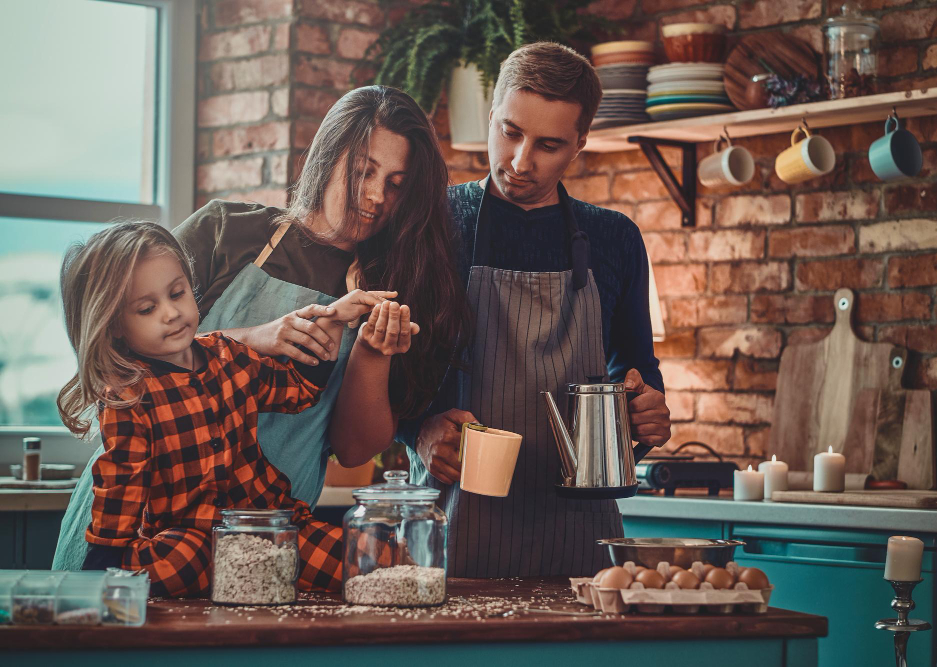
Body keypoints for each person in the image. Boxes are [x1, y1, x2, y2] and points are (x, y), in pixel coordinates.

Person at [52, 85, 469, 570]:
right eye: (364, 171)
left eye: (396, 184)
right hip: (138, 532)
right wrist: (252, 340)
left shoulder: (388, 287)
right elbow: (112, 346)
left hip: (268, 537)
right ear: (329, 154)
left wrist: (371, 355)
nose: (377, 196)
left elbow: (354, 450)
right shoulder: (226, 230)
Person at [400, 42, 672, 577]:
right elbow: (390, 375)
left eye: (548, 145)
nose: (521, 162)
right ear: (493, 112)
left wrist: (647, 412)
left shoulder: (614, 238)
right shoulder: (435, 223)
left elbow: (636, 369)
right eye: (510, 132)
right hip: (451, 523)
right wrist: (417, 432)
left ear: (580, 145)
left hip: (580, 539)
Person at [57, 222, 388, 596]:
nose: (171, 313)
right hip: (193, 542)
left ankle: (258, 573)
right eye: (147, 309)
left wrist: (333, 318)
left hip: (271, 529)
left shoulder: (228, 354)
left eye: (178, 293)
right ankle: (250, 578)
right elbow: (122, 487)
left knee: (375, 559)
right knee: (182, 557)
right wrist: (103, 563)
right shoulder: (128, 398)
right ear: (114, 325)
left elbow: (299, 390)